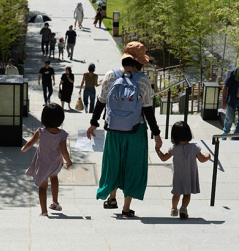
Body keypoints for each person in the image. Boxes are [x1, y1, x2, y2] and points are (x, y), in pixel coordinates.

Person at [86, 41, 162, 218]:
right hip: (136, 131)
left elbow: (101, 101)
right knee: (132, 166)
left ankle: (111, 198)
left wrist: (93, 122)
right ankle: (126, 209)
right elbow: (148, 110)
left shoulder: (110, 75)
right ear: (139, 62)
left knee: (113, 162)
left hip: (113, 130)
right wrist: (156, 134)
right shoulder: (143, 80)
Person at [21, 103, 72, 216]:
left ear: (44, 118)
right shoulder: (62, 134)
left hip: (43, 163)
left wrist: (24, 148)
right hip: (55, 163)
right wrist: (68, 161)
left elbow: (31, 142)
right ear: (60, 119)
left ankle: (44, 211)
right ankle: (55, 202)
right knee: (54, 178)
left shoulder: (41, 132)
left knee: (42, 187)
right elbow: (64, 151)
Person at [155, 121, 211, 218]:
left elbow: (163, 158)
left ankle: (174, 209)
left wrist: (158, 150)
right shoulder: (194, 147)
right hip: (190, 175)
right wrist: (208, 156)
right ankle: (183, 208)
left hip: (178, 176)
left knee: (176, 194)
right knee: (187, 194)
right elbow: (202, 159)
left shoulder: (174, 148)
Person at [221, 66, 239, 140]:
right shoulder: (233, 73)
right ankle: (225, 133)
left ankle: (236, 137)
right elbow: (225, 86)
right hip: (232, 99)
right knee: (230, 118)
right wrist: (223, 100)